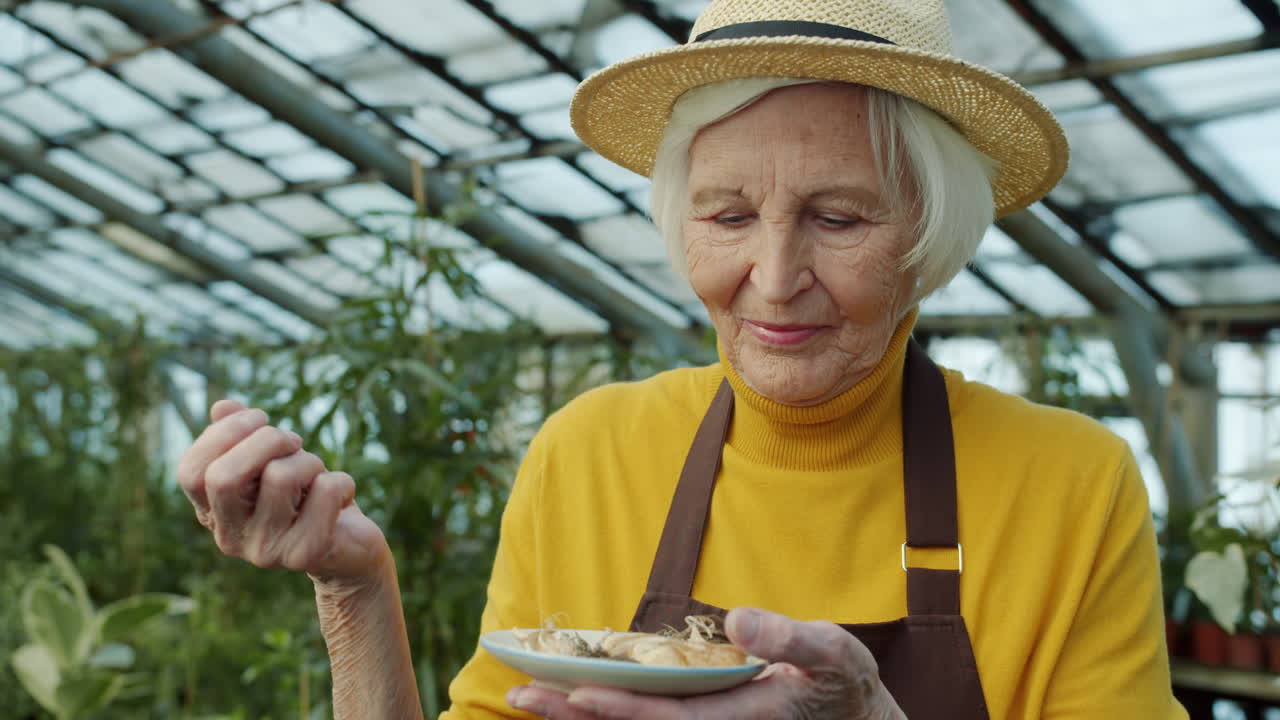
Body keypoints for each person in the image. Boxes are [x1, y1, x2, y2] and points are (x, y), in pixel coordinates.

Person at [176, 0, 1189, 718]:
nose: (773, 276)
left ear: (928, 237)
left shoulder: (1066, 485)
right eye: (728, 214)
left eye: (836, 217)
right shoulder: (590, 454)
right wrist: (357, 595)